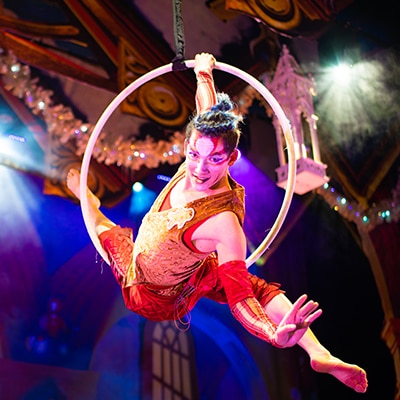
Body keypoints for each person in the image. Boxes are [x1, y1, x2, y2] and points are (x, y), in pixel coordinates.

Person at [67, 53, 368, 393]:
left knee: (104, 228)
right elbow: (207, 108)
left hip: (154, 295)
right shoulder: (200, 145)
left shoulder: (224, 223)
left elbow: (241, 299)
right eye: (194, 154)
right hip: (189, 268)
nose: (199, 169)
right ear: (188, 144)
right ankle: (319, 352)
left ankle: (316, 349)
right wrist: (204, 74)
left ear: (231, 159)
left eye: (214, 160)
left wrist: (273, 334)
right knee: (100, 220)